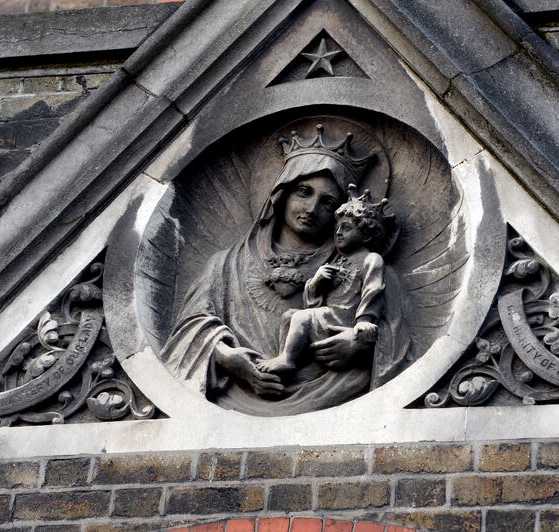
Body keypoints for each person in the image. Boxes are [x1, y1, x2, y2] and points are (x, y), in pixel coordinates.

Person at [159, 124, 413, 416]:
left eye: (328, 201)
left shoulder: (363, 264)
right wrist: (228, 358)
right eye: (303, 192)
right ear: (281, 193)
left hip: (333, 393)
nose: (312, 207)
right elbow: (189, 332)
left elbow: (396, 343)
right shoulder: (226, 265)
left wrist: (359, 344)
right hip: (230, 407)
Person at [257, 185, 395, 375]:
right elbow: (312, 304)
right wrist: (317, 282)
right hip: (328, 314)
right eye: (337, 228)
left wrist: (363, 321)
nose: (338, 233)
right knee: (290, 315)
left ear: (366, 234)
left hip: (345, 317)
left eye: (346, 228)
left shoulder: (371, 259)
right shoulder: (338, 262)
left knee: (301, 317)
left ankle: (287, 359)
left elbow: (373, 290)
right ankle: (286, 356)